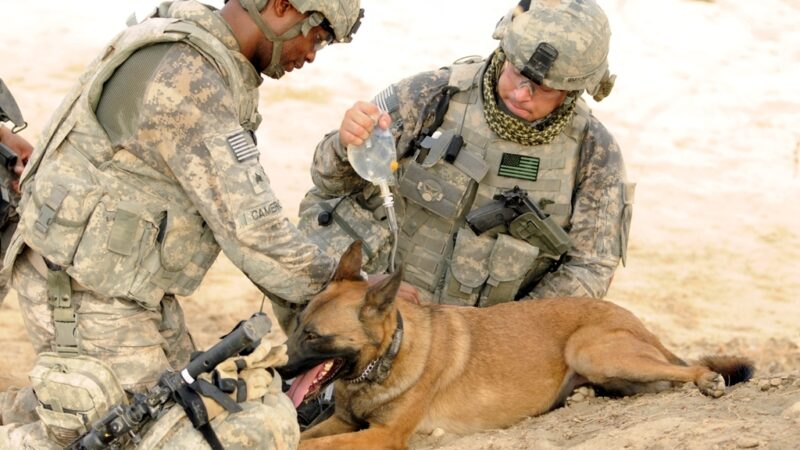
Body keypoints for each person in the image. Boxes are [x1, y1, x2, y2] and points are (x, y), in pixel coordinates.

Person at [0, 0, 363, 448]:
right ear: (282, 6)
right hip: (79, 294)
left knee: (191, 408)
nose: (311, 55)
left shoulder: (200, 46)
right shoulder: (190, 75)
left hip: (128, 290)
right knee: (151, 437)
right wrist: (352, 290)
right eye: (319, 36)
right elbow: (253, 230)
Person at [299, 0, 635, 307]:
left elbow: (591, 268)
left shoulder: (595, 152)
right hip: (379, 303)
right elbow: (328, 183)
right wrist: (345, 145)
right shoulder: (431, 96)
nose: (521, 93)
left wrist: (504, 330)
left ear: (573, 90)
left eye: (543, 88)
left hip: (481, 341)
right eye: (516, 71)